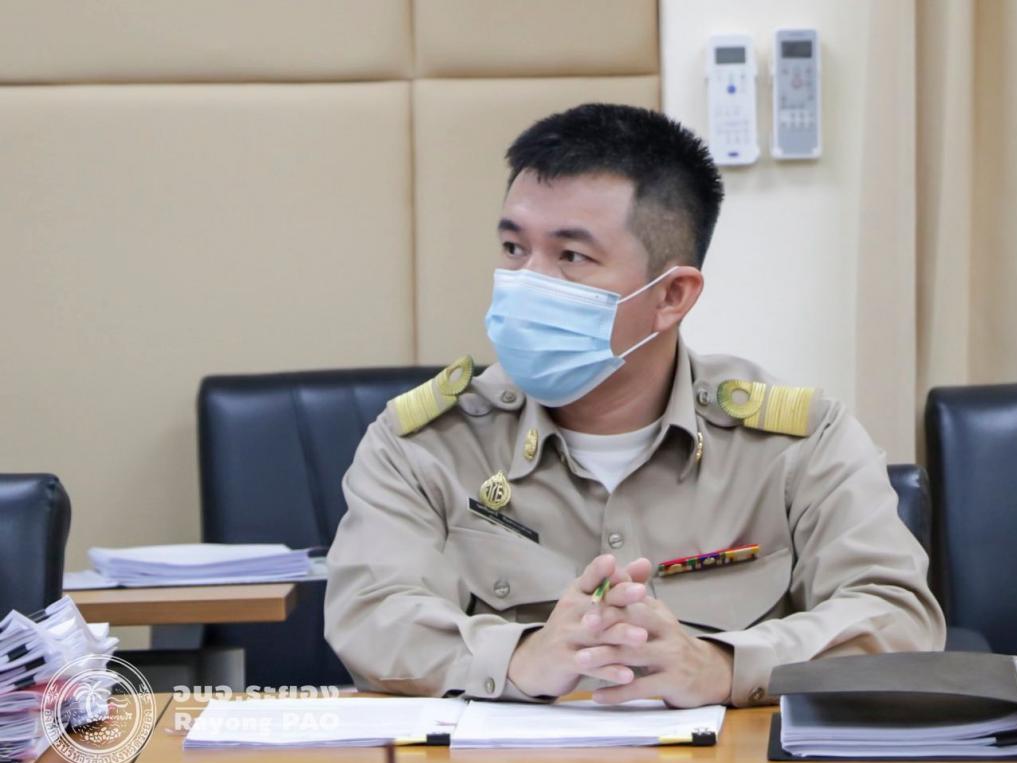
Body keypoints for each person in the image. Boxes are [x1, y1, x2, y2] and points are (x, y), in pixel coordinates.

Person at [324, 103, 945, 708]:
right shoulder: (425, 443)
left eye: (571, 256)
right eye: (514, 248)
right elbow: (368, 614)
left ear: (671, 295)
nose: (527, 281)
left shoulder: (798, 444)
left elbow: (896, 616)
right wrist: (518, 658)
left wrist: (725, 667)